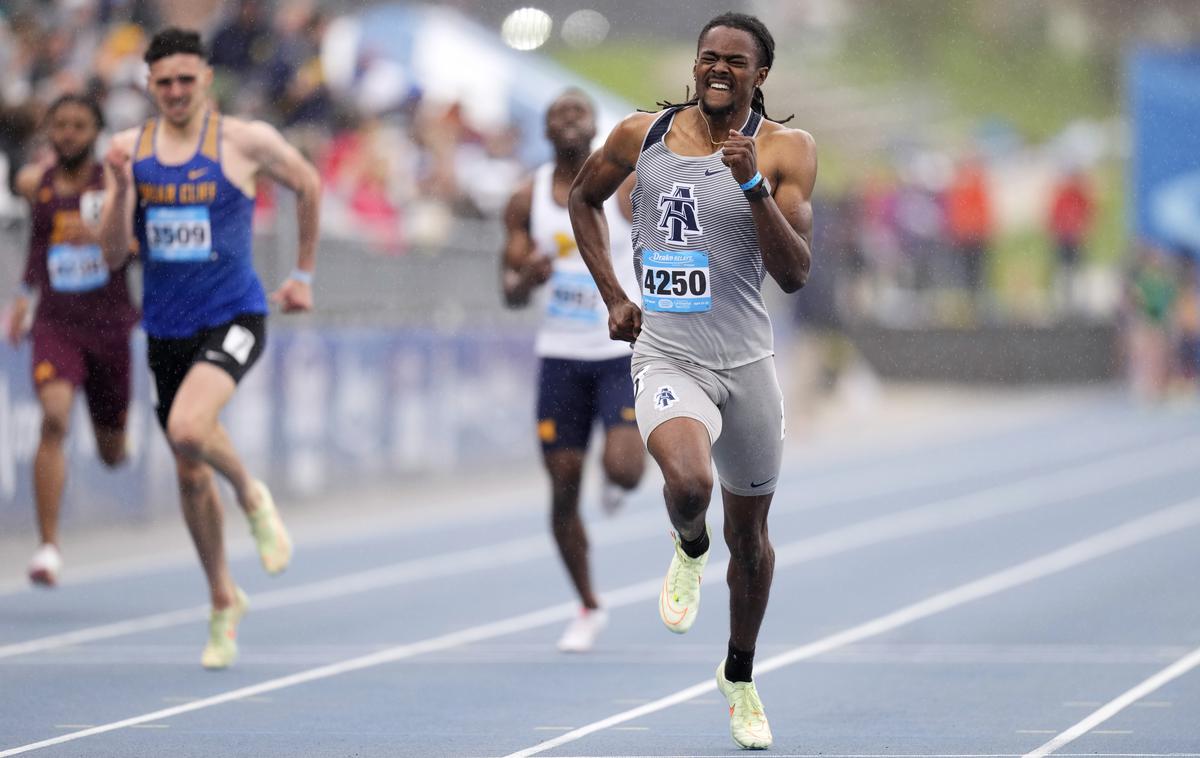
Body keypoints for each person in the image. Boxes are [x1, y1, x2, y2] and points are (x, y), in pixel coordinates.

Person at [568, 12, 815, 750]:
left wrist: (752, 187)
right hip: (668, 356)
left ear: (759, 75)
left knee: (755, 539)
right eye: (708, 57)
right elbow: (582, 199)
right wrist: (614, 294)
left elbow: (796, 273)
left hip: (747, 366)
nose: (717, 70)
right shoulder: (640, 136)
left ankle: (739, 676)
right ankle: (687, 545)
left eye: (734, 62)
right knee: (688, 486)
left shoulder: (785, 149)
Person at [97, 28, 320, 670]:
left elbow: (307, 183)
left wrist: (302, 274)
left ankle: (252, 495)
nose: (174, 93)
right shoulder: (127, 151)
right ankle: (223, 598)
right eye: (162, 82)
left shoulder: (243, 141)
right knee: (188, 466)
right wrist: (116, 190)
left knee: (189, 428)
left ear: (206, 80)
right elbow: (114, 254)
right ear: (148, 85)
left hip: (235, 313)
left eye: (185, 80)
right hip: (167, 326)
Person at [501, 89, 645, 653]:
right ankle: (587, 604)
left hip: (618, 351)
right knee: (562, 489)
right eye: (557, 114)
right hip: (560, 356)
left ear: (594, 127)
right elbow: (508, 290)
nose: (567, 120)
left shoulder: (625, 187)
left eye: (577, 113)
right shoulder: (525, 198)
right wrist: (527, 279)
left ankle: (616, 477)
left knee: (627, 470)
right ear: (544, 128)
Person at [6, 94, 138, 587]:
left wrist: (107, 235)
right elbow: (37, 244)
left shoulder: (116, 184)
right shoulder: (33, 184)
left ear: (97, 132)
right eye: (59, 125)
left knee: (112, 452)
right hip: (56, 323)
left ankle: (116, 443)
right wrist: (22, 296)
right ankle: (47, 548)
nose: (68, 134)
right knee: (54, 418)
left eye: (79, 125)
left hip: (109, 327)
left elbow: (134, 249)